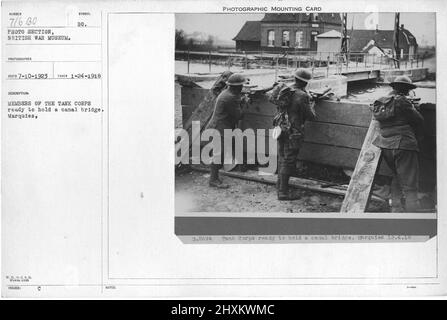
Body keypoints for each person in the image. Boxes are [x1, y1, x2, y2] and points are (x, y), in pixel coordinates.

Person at [372, 75, 424, 212]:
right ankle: (413, 214)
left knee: (396, 175)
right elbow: (419, 120)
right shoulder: (403, 101)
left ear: (394, 87)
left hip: (385, 145)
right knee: (410, 183)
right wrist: (414, 106)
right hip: (403, 144)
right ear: (407, 89)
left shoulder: (381, 101)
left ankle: (395, 208)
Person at [272, 69, 316, 200]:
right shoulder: (302, 96)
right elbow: (311, 116)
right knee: (289, 160)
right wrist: (312, 103)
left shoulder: (286, 90)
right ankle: (283, 193)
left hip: (281, 128)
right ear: (306, 83)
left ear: (295, 79)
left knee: (282, 157)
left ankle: (280, 186)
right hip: (293, 132)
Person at [207, 73, 246, 188]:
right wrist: (244, 104)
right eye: (241, 86)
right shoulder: (230, 97)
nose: (242, 88)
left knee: (220, 152)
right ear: (237, 87)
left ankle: (215, 175)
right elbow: (239, 116)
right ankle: (213, 180)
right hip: (220, 127)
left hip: (221, 126)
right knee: (219, 153)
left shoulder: (227, 93)